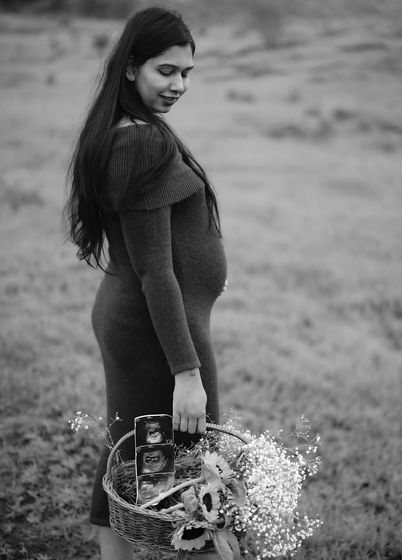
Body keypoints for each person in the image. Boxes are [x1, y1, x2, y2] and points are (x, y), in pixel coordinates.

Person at [65, 7, 226, 560]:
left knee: (128, 452)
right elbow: (157, 270)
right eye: (166, 71)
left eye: (186, 73)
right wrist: (186, 373)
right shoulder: (138, 142)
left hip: (138, 318)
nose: (179, 85)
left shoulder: (133, 128)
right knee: (187, 466)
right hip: (155, 328)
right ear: (131, 68)